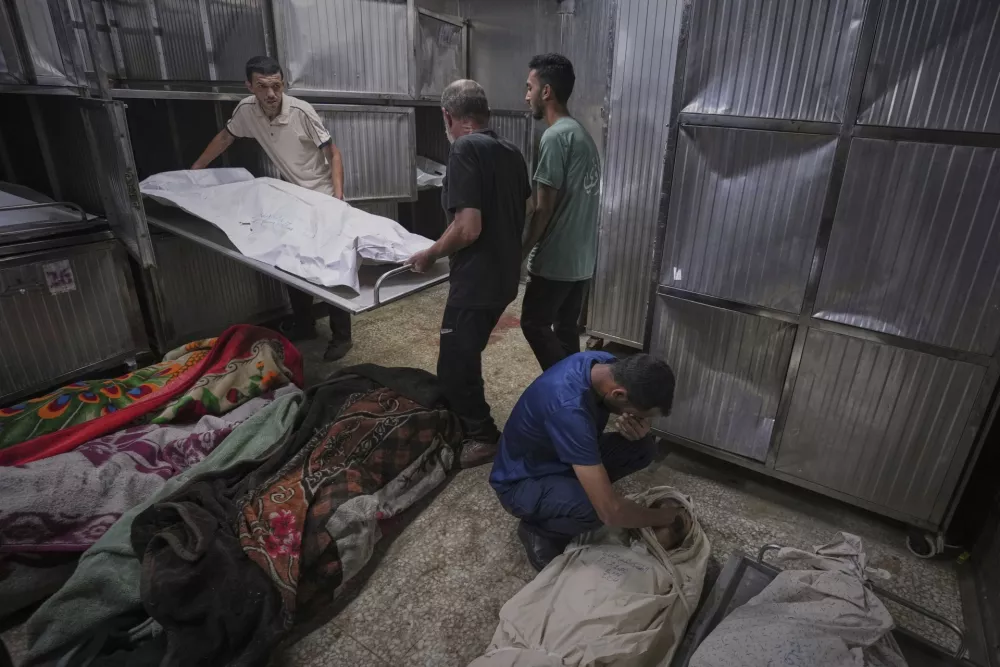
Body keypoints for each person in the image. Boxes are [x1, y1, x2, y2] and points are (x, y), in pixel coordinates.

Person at [191, 55, 353, 362]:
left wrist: (338, 199)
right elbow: (226, 137)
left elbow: (334, 154)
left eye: (277, 86)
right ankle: (305, 325)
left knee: (330, 265)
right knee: (290, 263)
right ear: (249, 85)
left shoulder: (301, 112)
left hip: (322, 195)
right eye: (263, 87)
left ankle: (342, 336)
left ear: (283, 84)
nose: (271, 94)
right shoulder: (246, 112)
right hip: (291, 195)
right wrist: (196, 169)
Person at [408, 80, 532, 469]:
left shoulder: (464, 149)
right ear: (485, 113)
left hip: (477, 280)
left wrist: (430, 253)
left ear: (448, 116)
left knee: (455, 362)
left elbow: (469, 228)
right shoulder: (511, 152)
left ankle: (482, 435)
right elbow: (521, 211)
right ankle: (466, 418)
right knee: (467, 349)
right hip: (503, 276)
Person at [490, 351, 679, 571]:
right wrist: (662, 518)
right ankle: (539, 530)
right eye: (637, 413)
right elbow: (611, 512)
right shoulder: (570, 410)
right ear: (618, 395)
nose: (638, 418)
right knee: (596, 512)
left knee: (643, 448)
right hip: (522, 481)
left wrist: (639, 428)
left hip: (558, 456)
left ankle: (577, 490)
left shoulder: (604, 364)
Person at [521, 54, 602, 371]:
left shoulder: (554, 137)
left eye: (529, 87)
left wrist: (521, 252)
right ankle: (577, 398)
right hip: (582, 263)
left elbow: (543, 211)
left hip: (555, 262)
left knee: (533, 323)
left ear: (546, 91)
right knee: (566, 331)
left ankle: (564, 389)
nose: (526, 96)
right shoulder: (581, 135)